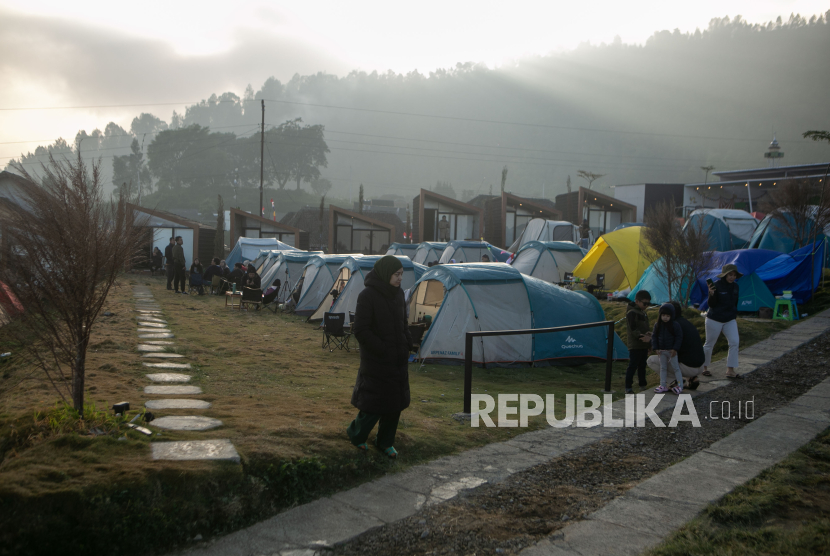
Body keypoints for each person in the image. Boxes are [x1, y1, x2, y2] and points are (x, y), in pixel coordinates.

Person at [348, 255, 412, 459]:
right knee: (373, 404)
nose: (400, 278)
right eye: (396, 274)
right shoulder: (367, 295)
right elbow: (360, 329)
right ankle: (356, 435)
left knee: (394, 405)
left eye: (402, 274)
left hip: (398, 359)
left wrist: (407, 342)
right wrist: (383, 348)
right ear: (386, 273)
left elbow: (403, 323)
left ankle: (385, 442)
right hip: (377, 360)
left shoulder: (399, 294)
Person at [647, 301, 705, 390]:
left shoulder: (674, 326)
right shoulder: (687, 323)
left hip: (688, 367)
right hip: (700, 366)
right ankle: (693, 378)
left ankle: (674, 382)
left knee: (651, 360)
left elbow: (666, 346)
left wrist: (650, 341)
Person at [703, 264, 742, 379]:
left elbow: (735, 303)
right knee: (709, 344)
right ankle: (703, 368)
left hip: (730, 319)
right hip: (714, 318)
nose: (732, 277)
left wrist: (734, 315)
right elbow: (711, 304)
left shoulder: (736, 287)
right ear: (725, 275)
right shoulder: (716, 285)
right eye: (730, 274)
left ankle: (730, 370)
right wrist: (711, 293)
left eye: (734, 275)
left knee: (734, 342)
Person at [651, 303, 683, 394]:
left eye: (667, 316)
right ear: (660, 315)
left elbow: (679, 337)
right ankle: (663, 385)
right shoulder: (657, 325)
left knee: (676, 368)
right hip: (661, 351)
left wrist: (675, 348)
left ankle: (680, 386)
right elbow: (654, 337)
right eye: (663, 315)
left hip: (671, 351)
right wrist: (656, 348)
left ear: (671, 316)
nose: (665, 317)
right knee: (663, 368)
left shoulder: (675, 325)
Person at [624, 290, 652, 394]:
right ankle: (628, 386)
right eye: (645, 303)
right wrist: (641, 336)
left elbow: (646, 327)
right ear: (637, 301)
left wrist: (648, 342)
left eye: (648, 304)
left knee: (642, 366)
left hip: (643, 344)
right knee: (633, 365)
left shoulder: (643, 313)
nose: (646, 306)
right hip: (635, 345)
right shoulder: (632, 313)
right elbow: (633, 328)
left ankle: (642, 384)